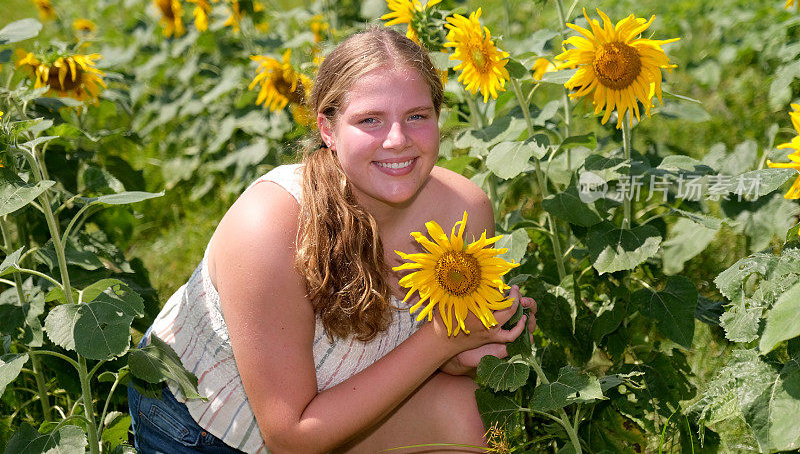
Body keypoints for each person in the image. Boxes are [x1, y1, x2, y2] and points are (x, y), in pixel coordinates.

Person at [128, 28, 537, 453]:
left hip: (342, 410)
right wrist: (442, 340)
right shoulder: (272, 226)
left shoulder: (463, 212)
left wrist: (467, 349)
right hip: (205, 429)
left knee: (477, 418)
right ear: (327, 128)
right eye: (369, 120)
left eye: (417, 116)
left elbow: (432, 357)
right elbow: (290, 439)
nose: (397, 139)